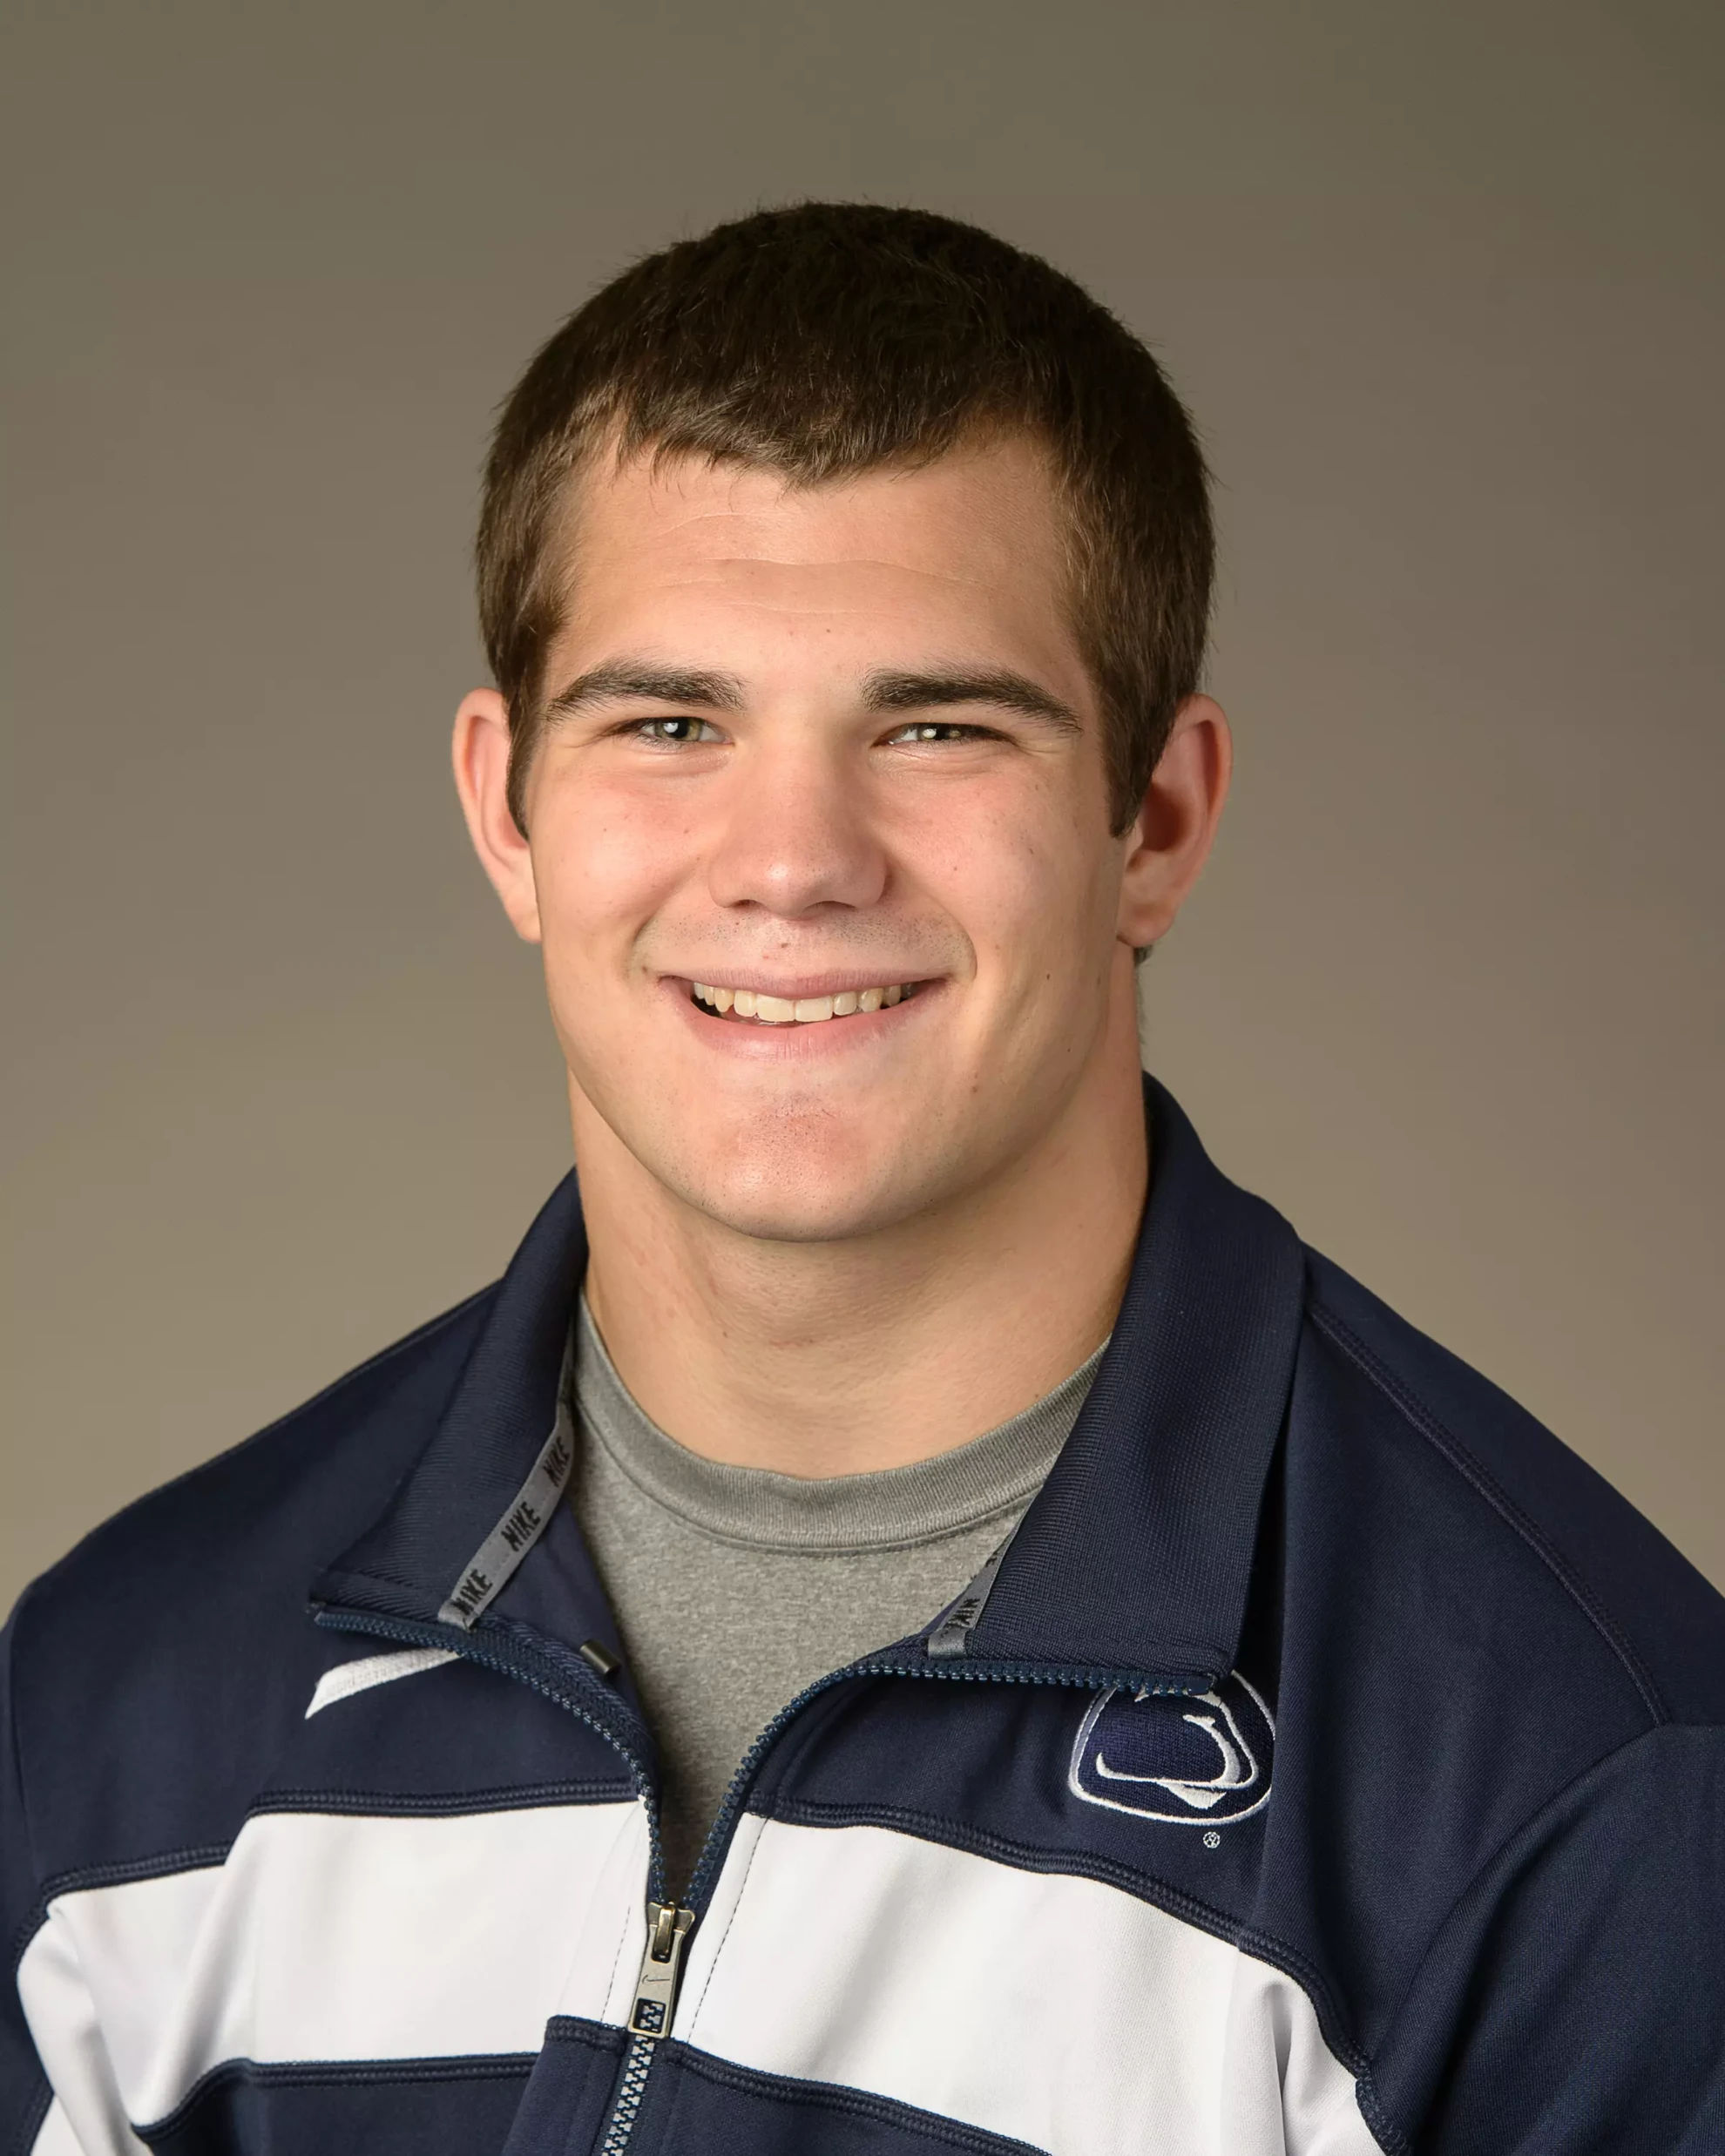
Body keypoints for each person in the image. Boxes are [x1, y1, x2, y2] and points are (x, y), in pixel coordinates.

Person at [3, 203, 1721, 2156]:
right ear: (507, 811)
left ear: (1155, 822)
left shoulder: (1575, 1797)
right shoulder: (125, 1710)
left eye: (936, 726)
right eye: (670, 722)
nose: (795, 860)